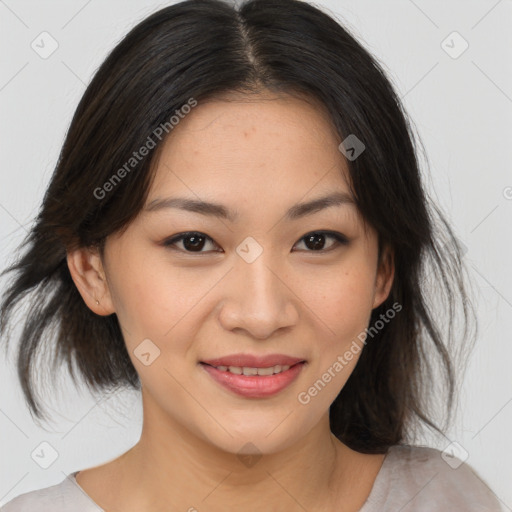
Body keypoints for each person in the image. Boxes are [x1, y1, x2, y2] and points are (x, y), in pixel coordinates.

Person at [0, 0, 503, 510]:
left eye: (317, 240)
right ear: (92, 270)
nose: (261, 315)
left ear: (383, 269)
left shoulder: (451, 499)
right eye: (194, 242)